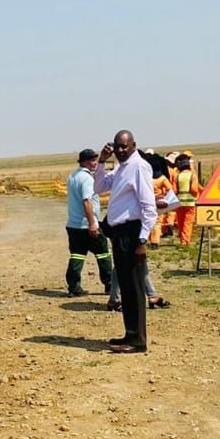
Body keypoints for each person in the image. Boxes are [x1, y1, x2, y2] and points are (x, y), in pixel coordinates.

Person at [94, 131, 159, 353]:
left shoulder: (139, 166)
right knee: (126, 286)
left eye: (124, 146)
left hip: (132, 233)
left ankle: (138, 341)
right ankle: (130, 334)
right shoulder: (121, 167)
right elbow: (99, 187)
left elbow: (149, 207)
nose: (120, 150)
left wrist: (142, 240)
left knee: (134, 287)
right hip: (119, 233)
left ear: (133, 145)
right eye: (117, 146)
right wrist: (102, 161)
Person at [65, 148, 115, 300]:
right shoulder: (87, 179)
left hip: (73, 225)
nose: (95, 163)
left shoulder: (73, 175)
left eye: (95, 160)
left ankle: (74, 287)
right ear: (85, 162)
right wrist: (92, 223)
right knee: (103, 254)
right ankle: (110, 284)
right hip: (87, 224)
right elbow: (87, 201)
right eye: (92, 160)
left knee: (77, 255)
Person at [173, 153, 199, 245]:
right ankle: (185, 241)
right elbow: (194, 189)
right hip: (190, 203)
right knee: (188, 222)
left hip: (179, 203)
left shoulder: (177, 176)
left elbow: (175, 190)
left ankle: (181, 238)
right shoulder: (193, 176)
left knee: (180, 222)